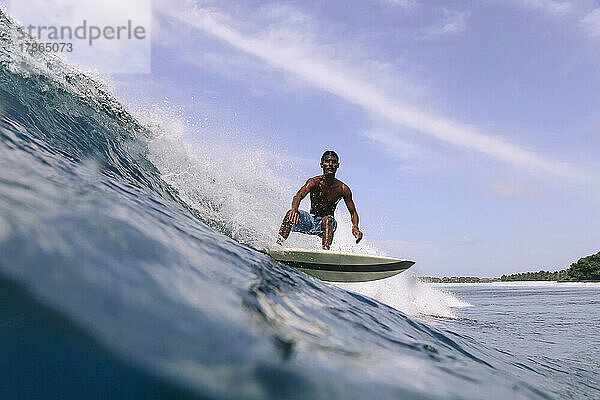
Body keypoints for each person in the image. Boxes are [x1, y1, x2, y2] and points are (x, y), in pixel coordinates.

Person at [277, 150, 363, 250]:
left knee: (328, 220)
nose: (330, 164)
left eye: (334, 162)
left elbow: (353, 212)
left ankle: (325, 253)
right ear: (321, 165)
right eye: (327, 161)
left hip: (326, 225)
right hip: (309, 220)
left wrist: (355, 227)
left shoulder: (343, 189)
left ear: (338, 165)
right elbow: (299, 195)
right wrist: (294, 210)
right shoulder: (314, 182)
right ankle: (278, 246)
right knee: (289, 214)